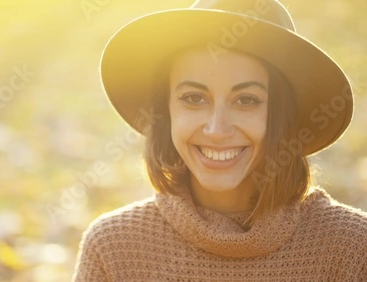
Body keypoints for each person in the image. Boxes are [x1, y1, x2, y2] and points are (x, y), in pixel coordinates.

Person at [73, 0, 367, 281]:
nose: (216, 129)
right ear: (167, 111)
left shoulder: (352, 249)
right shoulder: (113, 249)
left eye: (246, 100)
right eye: (194, 98)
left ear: (283, 116)